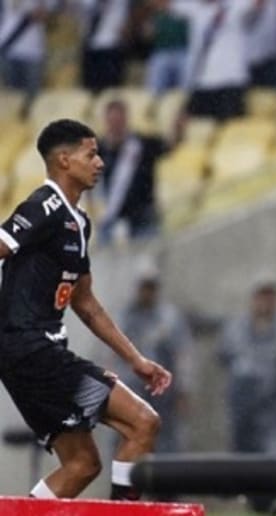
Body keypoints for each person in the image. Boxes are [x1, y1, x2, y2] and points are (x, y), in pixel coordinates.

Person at [0, 119, 172, 500]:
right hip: (32, 351)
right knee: (143, 423)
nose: (100, 163)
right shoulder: (43, 206)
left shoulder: (77, 222)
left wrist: (137, 359)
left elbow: (86, 303)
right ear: (64, 159)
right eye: (90, 154)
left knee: (82, 465)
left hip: (32, 355)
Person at [217, 273, 276, 513]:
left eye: (271, 296)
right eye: (262, 295)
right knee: (244, 465)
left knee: (275, 463)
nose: (266, 301)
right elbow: (222, 357)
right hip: (243, 411)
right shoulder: (236, 329)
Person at [116, 261, 193, 454]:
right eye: (144, 286)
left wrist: (184, 389)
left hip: (163, 394)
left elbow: (183, 354)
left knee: (168, 442)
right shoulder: (123, 318)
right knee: (127, 442)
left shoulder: (170, 318)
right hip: (131, 392)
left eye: (152, 287)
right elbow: (110, 356)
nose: (147, 292)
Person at [95, 99, 168, 243]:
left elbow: (170, 145)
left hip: (143, 218)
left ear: (126, 120)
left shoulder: (143, 144)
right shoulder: (98, 149)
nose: (115, 125)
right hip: (112, 219)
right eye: (112, 121)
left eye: (119, 120)